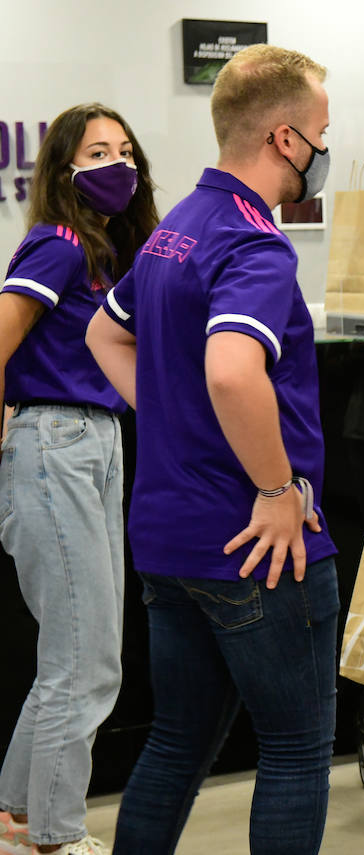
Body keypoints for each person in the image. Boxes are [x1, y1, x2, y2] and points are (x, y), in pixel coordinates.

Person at [84, 44, 338, 855]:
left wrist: (170, 417)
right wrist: (273, 489)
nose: (326, 149)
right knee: (295, 750)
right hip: (255, 545)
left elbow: (103, 332)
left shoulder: (175, 230)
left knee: (176, 743)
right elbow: (233, 371)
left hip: (168, 542)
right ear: (286, 139)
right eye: (323, 131)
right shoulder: (255, 243)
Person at [0, 103, 158, 855]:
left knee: (78, 652)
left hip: (93, 441)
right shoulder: (58, 246)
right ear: (64, 169)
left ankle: (18, 812)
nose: (117, 164)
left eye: (123, 149)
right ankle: (58, 835)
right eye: (98, 152)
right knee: (85, 657)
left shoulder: (99, 252)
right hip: (54, 439)